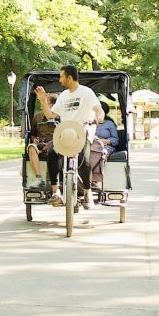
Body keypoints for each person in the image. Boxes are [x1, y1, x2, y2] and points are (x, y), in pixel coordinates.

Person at [34, 64, 104, 208]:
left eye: (61, 76)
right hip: (65, 132)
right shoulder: (63, 96)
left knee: (84, 159)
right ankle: (56, 192)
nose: (60, 80)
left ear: (69, 78)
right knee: (52, 154)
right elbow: (50, 115)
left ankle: (87, 193)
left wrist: (99, 117)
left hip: (82, 131)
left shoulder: (86, 92)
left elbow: (98, 109)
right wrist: (43, 101)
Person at [26, 93, 58, 189]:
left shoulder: (60, 117)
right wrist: (34, 140)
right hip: (40, 145)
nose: (41, 104)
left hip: (56, 145)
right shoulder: (37, 116)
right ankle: (38, 178)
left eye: (45, 101)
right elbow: (32, 134)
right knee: (31, 147)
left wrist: (51, 144)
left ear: (52, 104)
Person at [89, 101, 119, 189]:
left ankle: (96, 180)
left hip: (105, 146)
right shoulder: (90, 123)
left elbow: (116, 140)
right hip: (91, 144)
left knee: (99, 153)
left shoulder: (109, 124)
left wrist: (104, 141)